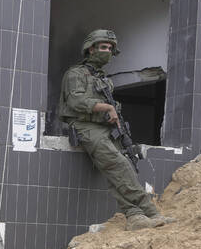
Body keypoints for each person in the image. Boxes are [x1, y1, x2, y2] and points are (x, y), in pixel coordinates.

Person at [58, 29, 175, 231]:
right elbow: (76, 101)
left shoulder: (104, 79)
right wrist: (107, 108)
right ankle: (138, 213)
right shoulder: (75, 74)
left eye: (111, 48)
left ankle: (144, 213)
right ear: (91, 49)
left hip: (105, 128)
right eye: (104, 47)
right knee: (118, 165)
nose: (108, 51)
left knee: (125, 167)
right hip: (86, 127)